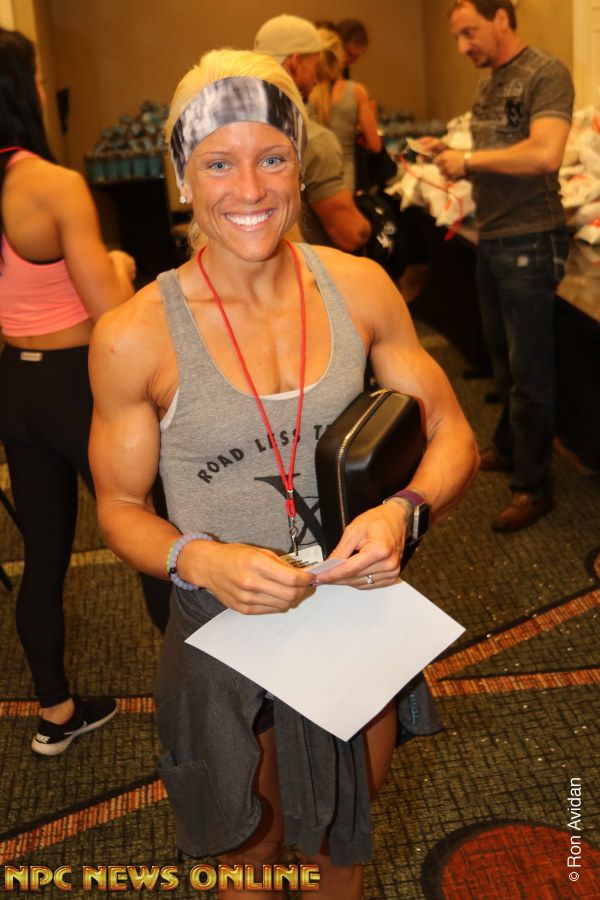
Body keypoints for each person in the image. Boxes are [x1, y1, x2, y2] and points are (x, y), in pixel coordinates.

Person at [89, 47, 478, 898]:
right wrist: (198, 556)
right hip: (222, 624)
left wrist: (405, 511)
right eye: (218, 164)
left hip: (347, 613)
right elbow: (118, 506)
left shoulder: (360, 288)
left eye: (271, 159)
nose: (250, 189)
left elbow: (453, 432)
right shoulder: (134, 334)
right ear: (182, 178)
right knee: (250, 854)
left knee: (345, 837)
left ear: (301, 165)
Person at [0, 27, 138, 755]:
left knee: (43, 555)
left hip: (14, 387)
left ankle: (55, 712)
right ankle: (209, 703)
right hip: (75, 385)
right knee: (151, 530)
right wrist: (119, 261)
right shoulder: (52, 186)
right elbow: (110, 307)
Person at [421, 0, 574, 532]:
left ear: (502, 18)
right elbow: (501, 154)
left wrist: (468, 160)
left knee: (530, 372)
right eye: (457, 37)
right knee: (503, 361)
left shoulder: (545, 72)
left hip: (531, 237)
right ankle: (510, 447)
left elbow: (545, 153)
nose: (463, 46)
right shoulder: (489, 83)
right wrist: (451, 151)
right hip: (494, 236)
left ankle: (534, 487)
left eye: (469, 32)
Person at [254, 14, 371, 251]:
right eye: (315, 67)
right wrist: (371, 224)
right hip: (309, 267)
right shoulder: (313, 140)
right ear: (295, 63)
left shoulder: (235, 129)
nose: (317, 79)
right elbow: (350, 235)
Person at [308, 28, 381, 193]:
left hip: (311, 184)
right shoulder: (355, 92)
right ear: (339, 57)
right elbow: (375, 145)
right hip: (345, 184)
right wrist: (372, 116)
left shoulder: (302, 95)